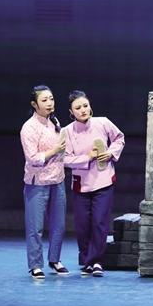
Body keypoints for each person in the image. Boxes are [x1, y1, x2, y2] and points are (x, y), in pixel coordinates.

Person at [62, 90, 125, 277]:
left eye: (85, 106)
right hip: (81, 184)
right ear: (71, 112)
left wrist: (111, 153)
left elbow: (119, 138)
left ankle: (96, 261)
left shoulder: (103, 122)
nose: (83, 110)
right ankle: (86, 260)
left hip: (103, 180)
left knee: (99, 222)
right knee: (82, 225)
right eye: (78, 108)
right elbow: (65, 159)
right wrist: (87, 157)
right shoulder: (67, 131)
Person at [20, 84, 68, 279]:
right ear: (34, 104)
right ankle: (35, 264)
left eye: (51, 99)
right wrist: (54, 151)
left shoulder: (55, 122)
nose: (49, 103)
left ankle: (54, 260)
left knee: (59, 224)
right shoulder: (29, 127)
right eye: (44, 100)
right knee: (36, 227)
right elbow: (33, 158)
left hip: (57, 179)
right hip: (37, 182)